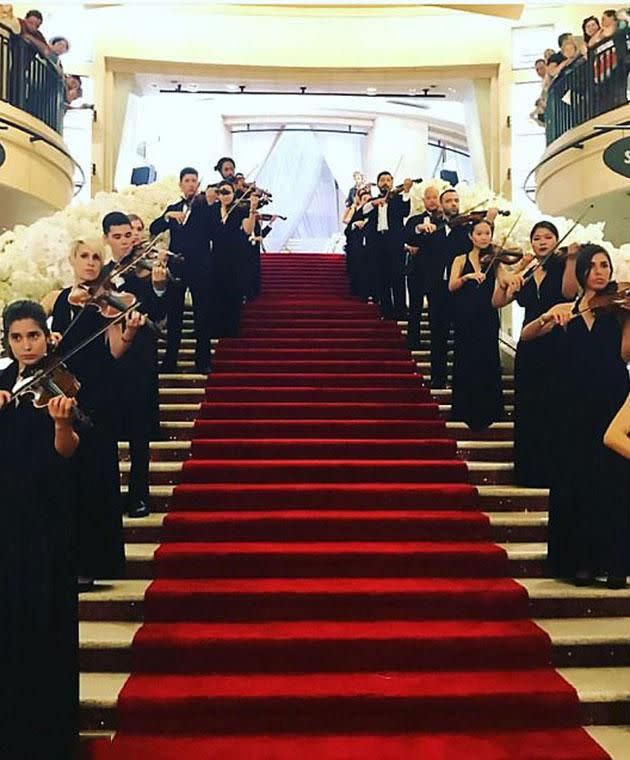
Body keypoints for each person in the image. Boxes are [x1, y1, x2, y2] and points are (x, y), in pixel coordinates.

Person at [520, 245, 630, 589]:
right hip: (572, 406)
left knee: (611, 484)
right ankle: (579, 561)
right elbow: (526, 337)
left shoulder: (618, 311)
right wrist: (548, 319)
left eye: (605, 265)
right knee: (577, 480)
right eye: (593, 265)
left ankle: (613, 564)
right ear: (581, 271)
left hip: (610, 403)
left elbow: (625, 355)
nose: (600, 271)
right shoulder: (565, 309)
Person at [0, 299, 80, 760]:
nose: (27, 346)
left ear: (47, 337)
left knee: (44, 615)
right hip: (6, 516)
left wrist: (61, 424)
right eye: (17, 337)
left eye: (33, 336)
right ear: (7, 341)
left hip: (46, 518)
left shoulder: (62, 383)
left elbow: (68, 453)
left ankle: (47, 733)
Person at [41, 239, 142, 586]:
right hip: (59, 395)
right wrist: (49, 340)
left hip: (98, 397)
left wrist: (128, 331)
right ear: (72, 260)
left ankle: (93, 563)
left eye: (96, 257)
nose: (91, 262)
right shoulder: (53, 300)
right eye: (84, 256)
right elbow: (37, 341)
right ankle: (61, 561)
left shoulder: (107, 303)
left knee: (96, 479)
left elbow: (114, 350)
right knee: (63, 481)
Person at [492, 221, 578, 487]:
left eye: (548, 237)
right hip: (529, 345)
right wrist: (514, 276)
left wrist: (573, 259)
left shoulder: (563, 266)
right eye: (537, 238)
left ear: (556, 241)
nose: (542, 242)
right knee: (528, 408)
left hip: (558, 343)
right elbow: (496, 301)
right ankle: (529, 471)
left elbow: (569, 293)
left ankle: (554, 470)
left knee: (555, 407)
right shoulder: (528, 270)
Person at [103, 212, 169, 518]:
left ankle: (139, 494)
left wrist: (158, 287)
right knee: (107, 433)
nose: (123, 241)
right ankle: (109, 495)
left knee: (139, 435)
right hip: (107, 365)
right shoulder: (99, 276)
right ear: (107, 239)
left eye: (127, 235)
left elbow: (157, 315)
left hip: (140, 361)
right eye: (116, 237)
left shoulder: (146, 273)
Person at [406, 188, 496, 388]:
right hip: (437, 290)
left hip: (461, 291)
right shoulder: (432, 227)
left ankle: (462, 380)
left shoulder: (467, 231)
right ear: (441, 204)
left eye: (456, 200)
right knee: (438, 335)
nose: (453, 204)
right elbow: (410, 239)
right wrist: (420, 229)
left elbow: (484, 242)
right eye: (449, 201)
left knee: (463, 337)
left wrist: (490, 221)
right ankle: (438, 379)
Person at [149, 166, 212, 373]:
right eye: (187, 181)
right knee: (174, 316)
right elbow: (154, 228)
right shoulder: (174, 208)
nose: (191, 184)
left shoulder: (205, 207)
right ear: (180, 184)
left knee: (202, 315)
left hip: (200, 269)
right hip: (176, 268)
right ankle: (169, 362)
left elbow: (215, 228)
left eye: (194, 180)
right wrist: (167, 217)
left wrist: (212, 203)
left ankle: (203, 362)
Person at [448, 218, 504, 430]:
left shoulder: (495, 260)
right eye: (479, 233)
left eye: (487, 233)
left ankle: (490, 410)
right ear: (471, 236)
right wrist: (468, 277)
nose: (484, 237)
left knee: (488, 358)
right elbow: (451, 286)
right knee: (466, 359)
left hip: (487, 316)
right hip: (465, 316)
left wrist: (524, 266)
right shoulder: (460, 259)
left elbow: (505, 280)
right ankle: (465, 409)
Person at [208, 181, 258, 337]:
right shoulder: (212, 211)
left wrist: (252, 210)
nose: (225, 196)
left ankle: (232, 329)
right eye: (221, 192)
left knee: (234, 294)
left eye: (228, 192)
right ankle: (218, 328)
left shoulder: (240, 211)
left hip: (235, 258)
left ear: (234, 194)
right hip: (217, 258)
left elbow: (248, 229)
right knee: (217, 294)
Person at [361, 171, 412, 321]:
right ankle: (386, 311)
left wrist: (407, 192)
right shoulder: (372, 201)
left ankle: (401, 311)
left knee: (398, 278)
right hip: (377, 245)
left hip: (395, 243)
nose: (385, 183)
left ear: (392, 183)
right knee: (381, 279)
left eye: (388, 180)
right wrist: (373, 203)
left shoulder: (397, 199)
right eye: (382, 180)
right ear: (378, 184)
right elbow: (362, 212)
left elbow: (405, 211)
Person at [404, 185, 441, 350]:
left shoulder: (445, 221)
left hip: (438, 273)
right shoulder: (414, 220)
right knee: (415, 308)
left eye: (435, 197)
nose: (432, 200)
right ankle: (413, 341)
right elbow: (406, 237)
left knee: (436, 310)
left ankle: (437, 342)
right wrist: (419, 230)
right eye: (429, 197)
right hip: (417, 271)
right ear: (424, 200)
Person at [343, 186, 374, 299]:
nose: (367, 202)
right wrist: (354, 225)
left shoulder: (374, 214)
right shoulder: (355, 211)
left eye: (369, 200)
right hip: (356, 247)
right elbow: (347, 229)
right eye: (364, 199)